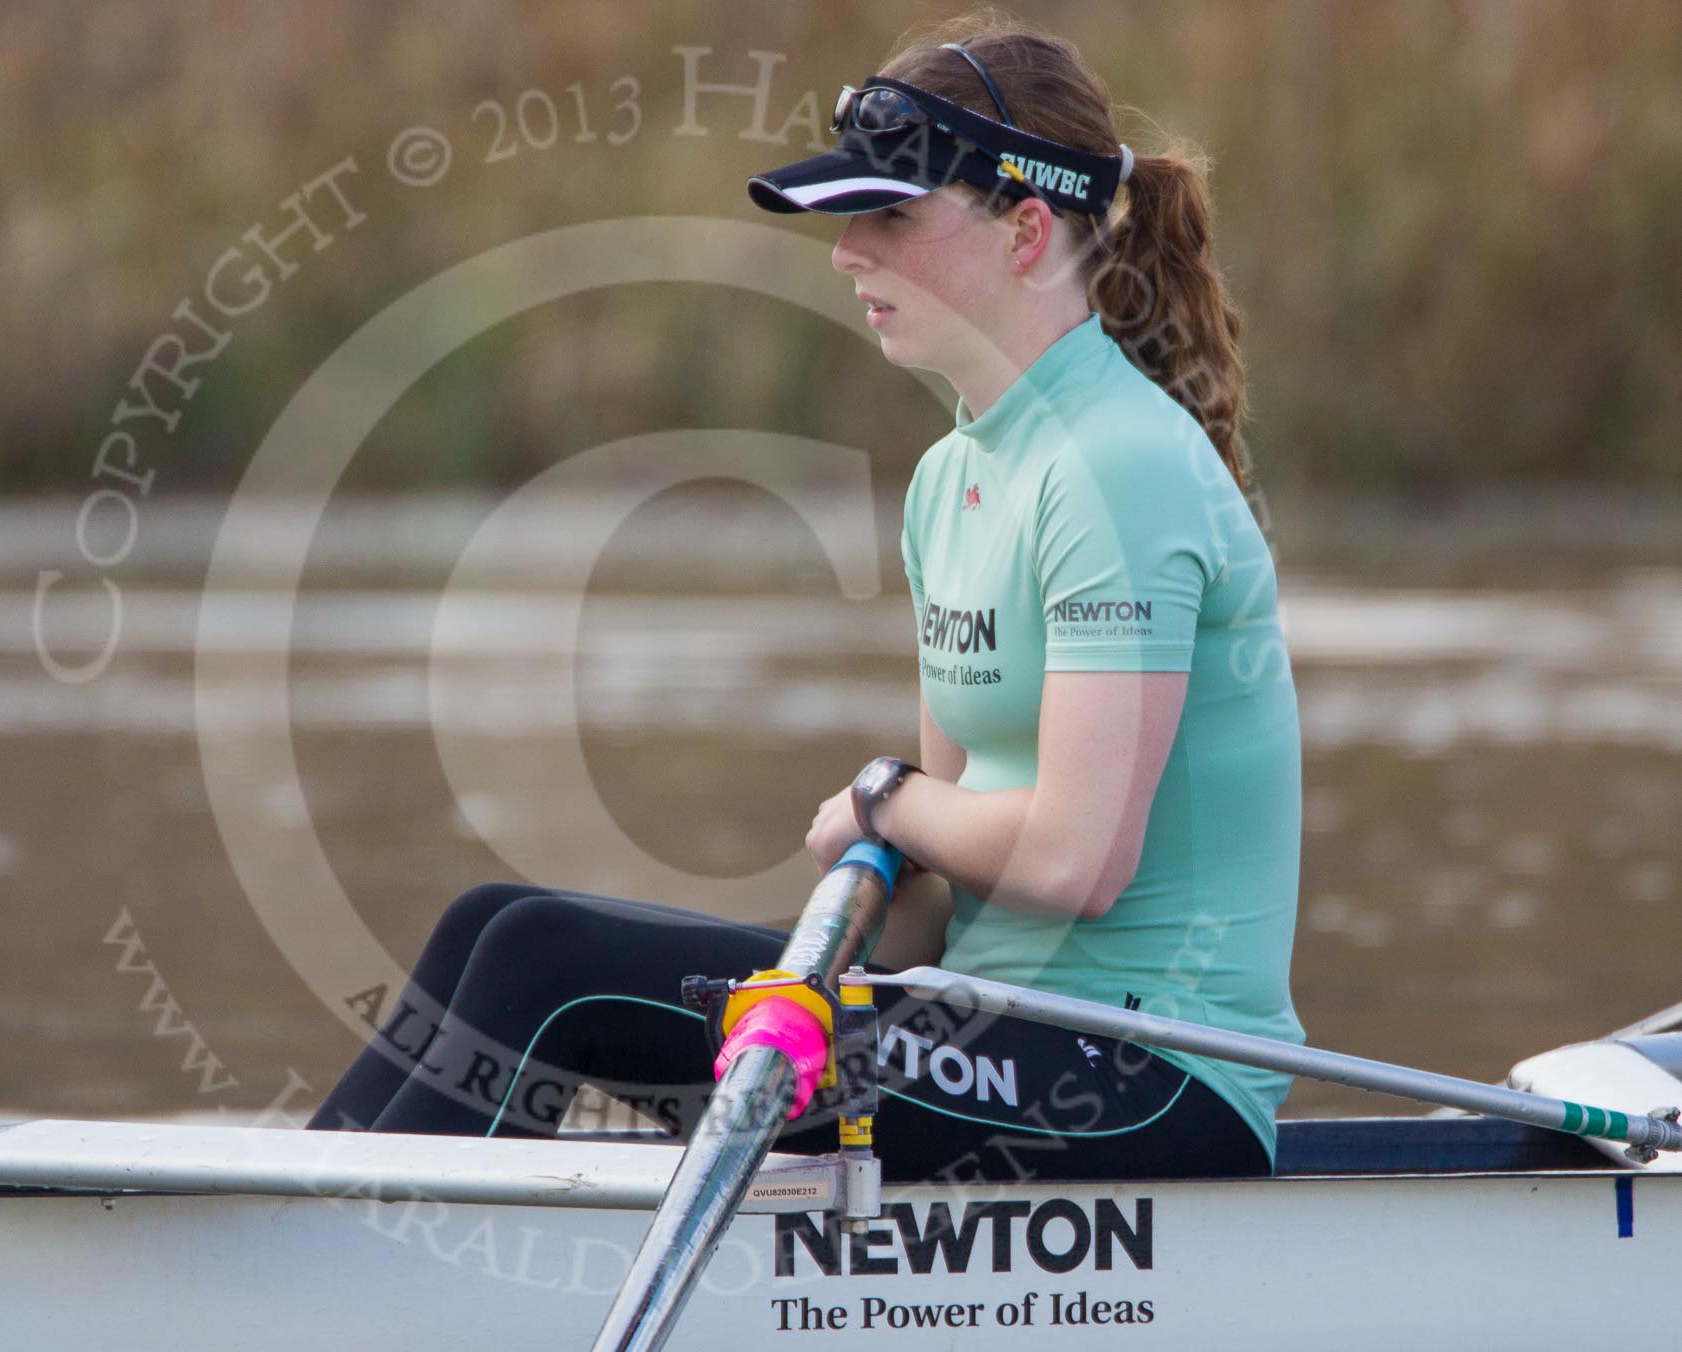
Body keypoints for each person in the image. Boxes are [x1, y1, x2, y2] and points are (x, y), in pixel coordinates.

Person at [307, 16, 1303, 1182]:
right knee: (491, 919)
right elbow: (956, 868)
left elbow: (1076, 862)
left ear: (1028, 231)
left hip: (1146, 1077)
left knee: (549, 962)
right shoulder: (955, 480)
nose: (846, 253)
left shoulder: (1118, 466)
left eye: (890, 216)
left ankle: (337, 1277)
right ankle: (290, 1226)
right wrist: (815, 945)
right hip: (993, 1028)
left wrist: (884, 801)